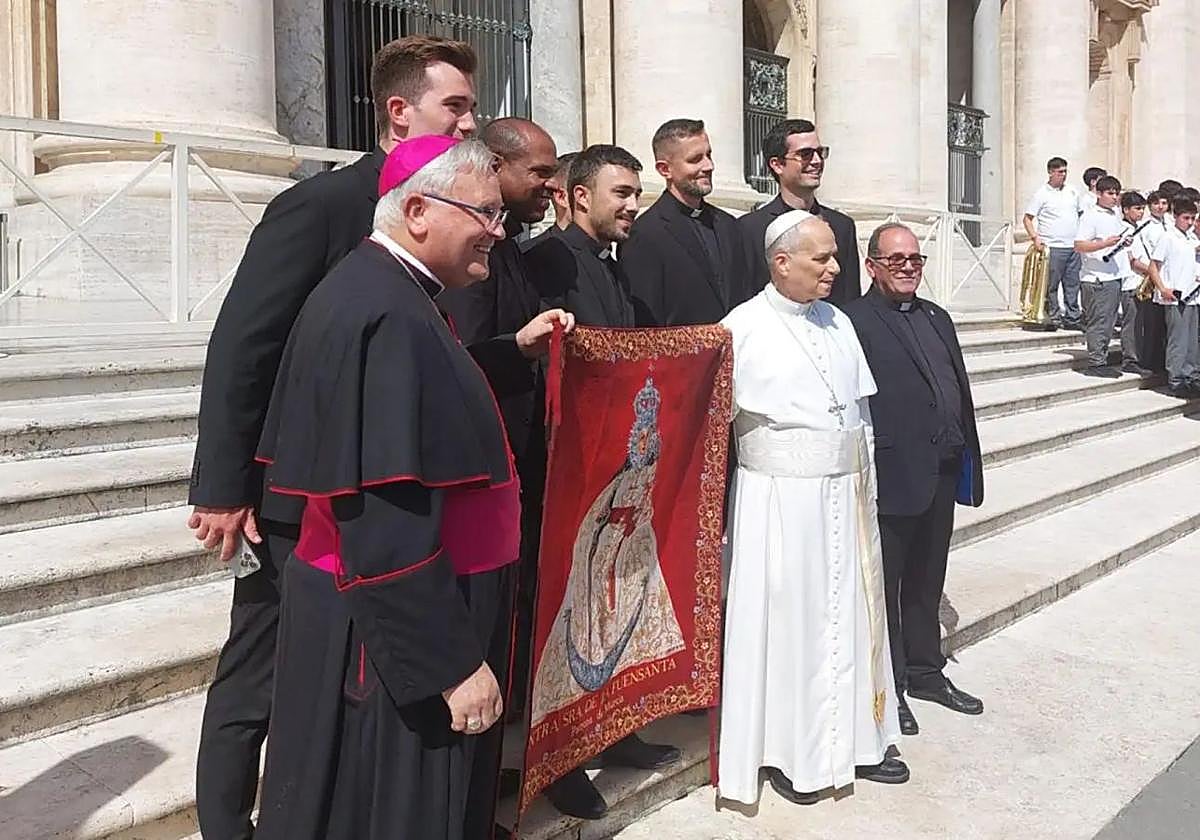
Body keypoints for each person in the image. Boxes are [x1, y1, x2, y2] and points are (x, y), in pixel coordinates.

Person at [188, 35, 479, 840]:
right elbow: (246, 346)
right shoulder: (319, 207)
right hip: (292, 500)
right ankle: (224, 826)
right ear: (399, 111)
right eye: (454, 106)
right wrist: (222, 486)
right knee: (256, 677)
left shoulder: (444, 211)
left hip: (372, 500)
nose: (468, 123)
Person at [252, 135, 572, 840]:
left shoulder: (390, 292)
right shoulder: (388, 314)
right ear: (419, 209)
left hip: (398, 611)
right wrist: (452, 666)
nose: (498, 230)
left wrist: (511, 351)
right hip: (394, 633)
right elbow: (384, 519)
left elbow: (422, 407)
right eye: (484, 213)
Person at [718, 209, 904, 808]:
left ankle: (858, 742)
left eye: (833, 255)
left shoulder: (839, 323)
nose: (835, 267)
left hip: (843, 497)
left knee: (848, 618)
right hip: (779, 505)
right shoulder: (741, 328)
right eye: (821, 257)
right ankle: (791, 755)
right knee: (791, 625)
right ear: (781, 262)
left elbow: (861, 411)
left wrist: (866, 484)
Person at [524, 143, 682, 820]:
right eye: (621, 193)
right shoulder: (543, 264)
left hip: (617, 475)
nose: (633, 206)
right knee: (569, 616)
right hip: (564, 473)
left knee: (614, 607)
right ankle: (560, 760)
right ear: (577, 195)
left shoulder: (616, 273)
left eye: (636, 192)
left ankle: (617, 732)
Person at [843, 223, 985, 739]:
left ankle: (927, 672)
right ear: (872, 265)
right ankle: (891, 684)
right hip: (892, 473)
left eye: (915, 259)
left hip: (941, 470)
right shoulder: (852, 321)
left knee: (927, 582)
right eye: (896, 259)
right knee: (886, 587)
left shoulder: (936, 316)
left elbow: (955, 386)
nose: (907, 267)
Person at [620, 118, 755, 326]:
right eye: (695, 159)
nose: (708, 166)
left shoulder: (729, 225)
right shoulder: (645, 234)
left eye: (709, 155)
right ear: (665, 169)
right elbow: (645, 323)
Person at [737, 118, 862, 307]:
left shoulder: (842, 226)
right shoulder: (749, 229)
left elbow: (849, 299)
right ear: (777, 164)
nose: (817, 161)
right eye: (805, 154)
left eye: (820, 152)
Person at [1074, 175, 1133, 377]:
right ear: (1099, 194)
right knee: (1099, 322)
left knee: (1108, 322)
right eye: (1110, 193)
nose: (1114, 197)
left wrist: (1121, 243)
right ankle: (1096, 363)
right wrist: (1105, 244)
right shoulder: (1090, 216)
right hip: (1097, 278)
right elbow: (1079, 244)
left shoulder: (1114, 214)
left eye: (1117, 193)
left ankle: (1102, 358)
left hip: (1113, 276)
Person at [1145, 197, 1200, 397]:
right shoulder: (1168, 237)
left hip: (1194, 295)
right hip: (1176, 295)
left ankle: (1192, 377)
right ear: (1176, 216)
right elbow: (1154, 267)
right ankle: (1176, 379)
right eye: (1186, 218)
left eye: (1193, 218)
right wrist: (1163, 289)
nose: (1190, 222)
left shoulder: (1191, 238)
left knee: (1192, 341)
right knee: (1178, 340)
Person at [1023, 156, 1086, 330]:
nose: (1063, 175)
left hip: (1072, 245)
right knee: (1051, 284)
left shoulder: (1072, 191)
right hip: (1053, 245)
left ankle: (1073, 317)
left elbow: (1081, 214)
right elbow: (1027, 218)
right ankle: (1052, 316)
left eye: (1065, 171)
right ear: (1050, 172)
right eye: (1060, 172)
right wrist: (1035, 237)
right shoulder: (1041, 194)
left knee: (1072, 283)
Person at [1118, 191, 1154, 376]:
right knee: (1132, 323)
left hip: (1143, 282)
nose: (1141, 212)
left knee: (1142, 324)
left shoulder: (1138, 228)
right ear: (1125, 210)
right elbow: (1133, 260)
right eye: (1137, 208)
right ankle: (1130, 359)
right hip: (1131, 282)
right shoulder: (1123, 229)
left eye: (1143, 209)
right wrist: (1154, 272)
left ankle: (1142, 358)